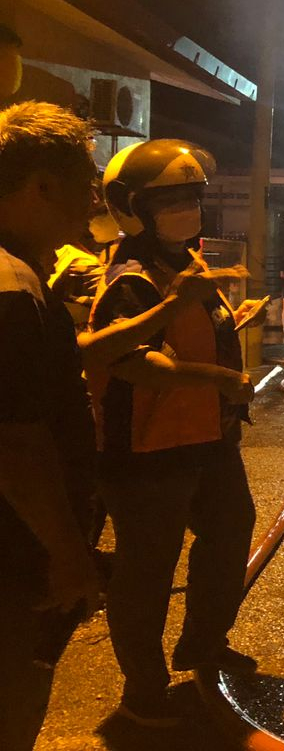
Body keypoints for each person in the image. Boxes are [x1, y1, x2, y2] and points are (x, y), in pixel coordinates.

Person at [87, 138, 264, 726]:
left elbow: (190, 330)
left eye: (192, 198)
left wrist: (228, 323)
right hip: (146, 452)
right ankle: (142, 690)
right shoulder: (130, 278)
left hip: (207, 442)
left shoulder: (187, 267)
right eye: (171, 201)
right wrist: (220, 377)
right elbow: (134, 361)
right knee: (147, 571)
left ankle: (204, 644)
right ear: (131, 206)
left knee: (231, 532)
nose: (187, 211)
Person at [0, 102, 102, 750]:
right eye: (85, 185)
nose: (93, 200)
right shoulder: (12, 288)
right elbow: (15, 441)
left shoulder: (27, 279)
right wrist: (68, 555)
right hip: (11, 560)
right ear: (41, 186)